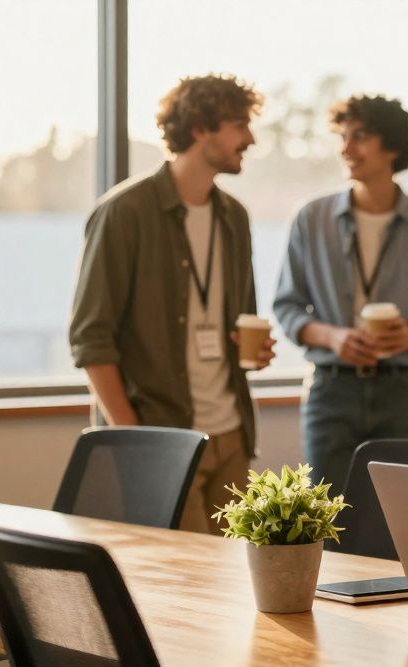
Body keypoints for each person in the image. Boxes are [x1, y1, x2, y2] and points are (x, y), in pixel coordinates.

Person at [69, 73, 276, 534]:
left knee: (231, 574)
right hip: (159, 438)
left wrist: (253, 350)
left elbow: (239, 320)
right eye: (239, 125)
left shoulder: (234, 216)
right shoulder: (124, 212)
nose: (250, 139)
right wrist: (132, 436)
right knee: (183, 574)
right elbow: (90, 338)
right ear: (200, 128)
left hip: (231, 435)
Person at [273, 94, 408, 493]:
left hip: (403, 392)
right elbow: (287, 307)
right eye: (342, 137)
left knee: (404, 513)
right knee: (326, 516)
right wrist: (333, 338)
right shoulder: (311, 219)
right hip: (331, 390)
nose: (345, 148)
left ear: (392, 146)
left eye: (359, 136)